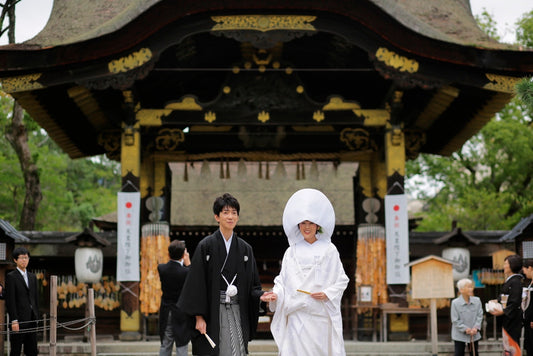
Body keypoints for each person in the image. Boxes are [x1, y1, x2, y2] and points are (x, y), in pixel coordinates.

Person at [178, 193, 272, 356]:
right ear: (217, 217)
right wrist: (199, 317)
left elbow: (253, 285)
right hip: (213, 311)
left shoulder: (245, 249)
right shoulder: (205, 246)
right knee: (214, 349)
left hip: (237, 308)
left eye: (234, 213)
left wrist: (261, 295)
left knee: (238, 348)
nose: (230, 217)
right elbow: (196, 285)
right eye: (226, 212)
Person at [266, 188, 349, 356]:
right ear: (298, 225)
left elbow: (342, 280)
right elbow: (282, 281)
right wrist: (276, 294)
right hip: (297, 315)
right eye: (303, 223)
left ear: (318, 225)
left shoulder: (329, 250)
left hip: (320, 315)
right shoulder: (292, 252)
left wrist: (327, 293)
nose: (307, 227)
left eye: (311, 223)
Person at [158, 239, 193, 356]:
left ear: (168, 254)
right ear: (184, 255)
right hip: (181, 312)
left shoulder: (161, 268)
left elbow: (168, 266)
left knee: (166, 343)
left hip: (166, 310)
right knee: (182, 344)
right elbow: (194, 276)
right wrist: (188, 261)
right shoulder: (186, 272)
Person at [5, 246, 40, 356]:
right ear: (15, 260)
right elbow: (10, 300)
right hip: (19, 320)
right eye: (21, 258)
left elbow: (35, 298)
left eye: (26, 257)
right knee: (16, 350)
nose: (24, 260)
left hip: (32, 319)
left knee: (32, 350)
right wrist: (14, 320)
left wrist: (36, 316)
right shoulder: (11, 277)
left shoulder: (32, 277)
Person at [489, 254, 523, 356]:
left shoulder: (516, 281)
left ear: (512, 265)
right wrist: (497, 300)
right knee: (507, 346)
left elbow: (515, 302)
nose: (504, 266)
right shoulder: (512, 281)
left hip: (512, 320)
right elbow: (506, 297)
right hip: (508, 319)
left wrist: (503, 311)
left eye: (505, 264)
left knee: (512, 346)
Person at [451, 278, 483, 356]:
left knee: (474, 354)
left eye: (471, 286)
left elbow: (480, 315)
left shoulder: (477, 300)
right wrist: (466, 329)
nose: (471, 289)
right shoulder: (455, 303)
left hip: (474, 334)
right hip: (459, 335)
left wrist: (476, 327)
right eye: (468, 287)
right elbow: (455, 320)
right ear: (461, 290)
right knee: (459, 354)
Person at [522, 259, 533, 356]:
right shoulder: (530, 283)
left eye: (524, 270)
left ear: (529, 268)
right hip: (528, 323)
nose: (524, 273)